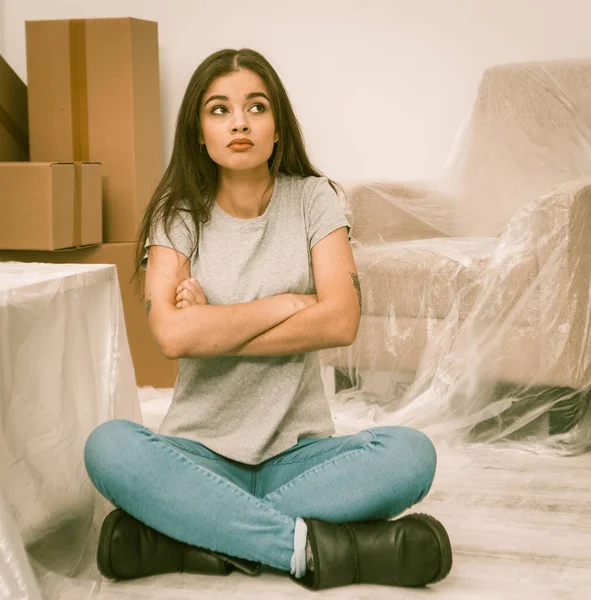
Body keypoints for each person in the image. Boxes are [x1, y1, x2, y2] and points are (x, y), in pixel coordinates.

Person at [83, 47, 452, 592]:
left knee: (411, 455)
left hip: (299, 458)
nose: (239, 122)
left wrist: (214, 326)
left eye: (256, 107)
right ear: (198, 132)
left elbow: (339, 322)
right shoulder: (178, 214)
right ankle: (307, 549)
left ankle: (195, 532)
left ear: (278, 127)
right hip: (199, 456)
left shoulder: (314, 200)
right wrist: (284, 305)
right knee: (108, 446)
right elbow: (172, 335)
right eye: (219, 110)